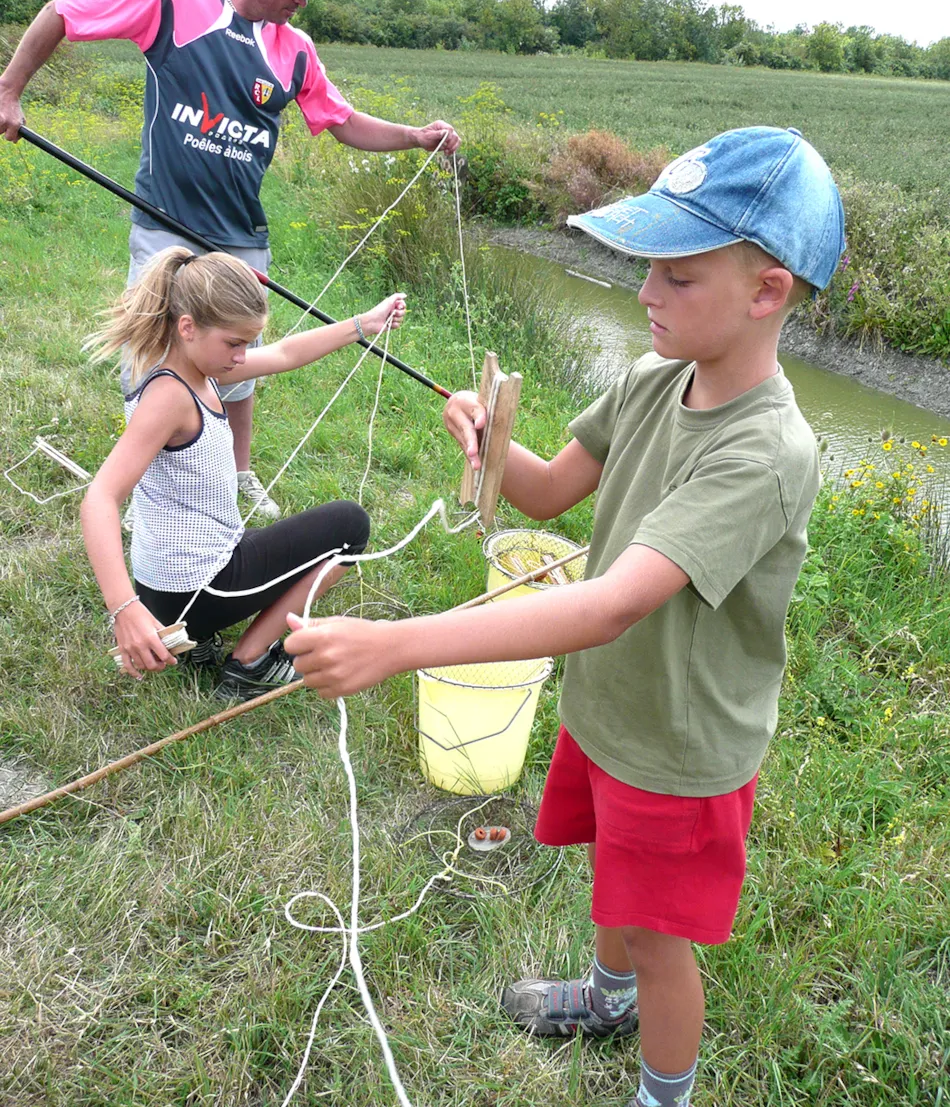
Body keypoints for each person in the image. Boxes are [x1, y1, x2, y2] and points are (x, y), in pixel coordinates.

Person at [283, 126, 846, 1107]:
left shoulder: (765, 452)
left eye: (676, 276)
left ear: (765, 292)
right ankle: (603, 992)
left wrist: (399, 644)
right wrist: (487, 440)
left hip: (679, 740)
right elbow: (544, 494)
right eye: (645, 270)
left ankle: (657, 1093)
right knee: (612, 885)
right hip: (610, 709)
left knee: (662, 938)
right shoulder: (650, 378)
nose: (643, 294)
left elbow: (608, 605)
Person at [1, 0, 459, 521]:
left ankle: (239, 474)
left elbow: (341, 121)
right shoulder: (172, 1)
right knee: (154, 361)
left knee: (238, 365)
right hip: (164, 223)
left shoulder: (295, 51)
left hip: (241, 237)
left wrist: (414, 137)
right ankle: (148, 492)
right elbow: (63, 10)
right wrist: (9, 90)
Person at [80, 245, 406, 700]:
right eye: (234, 343)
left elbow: (286, 352)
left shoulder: (193, 368)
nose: (241, 356)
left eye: (246, 344)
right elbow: (100, 497)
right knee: (350, 525)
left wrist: (361, 326)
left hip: (173, 594)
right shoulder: (171, 397)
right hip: (190, 595)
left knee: (287, 538)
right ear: (188, 327)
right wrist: (124, 610)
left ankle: (201, 639)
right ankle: (249, 661)